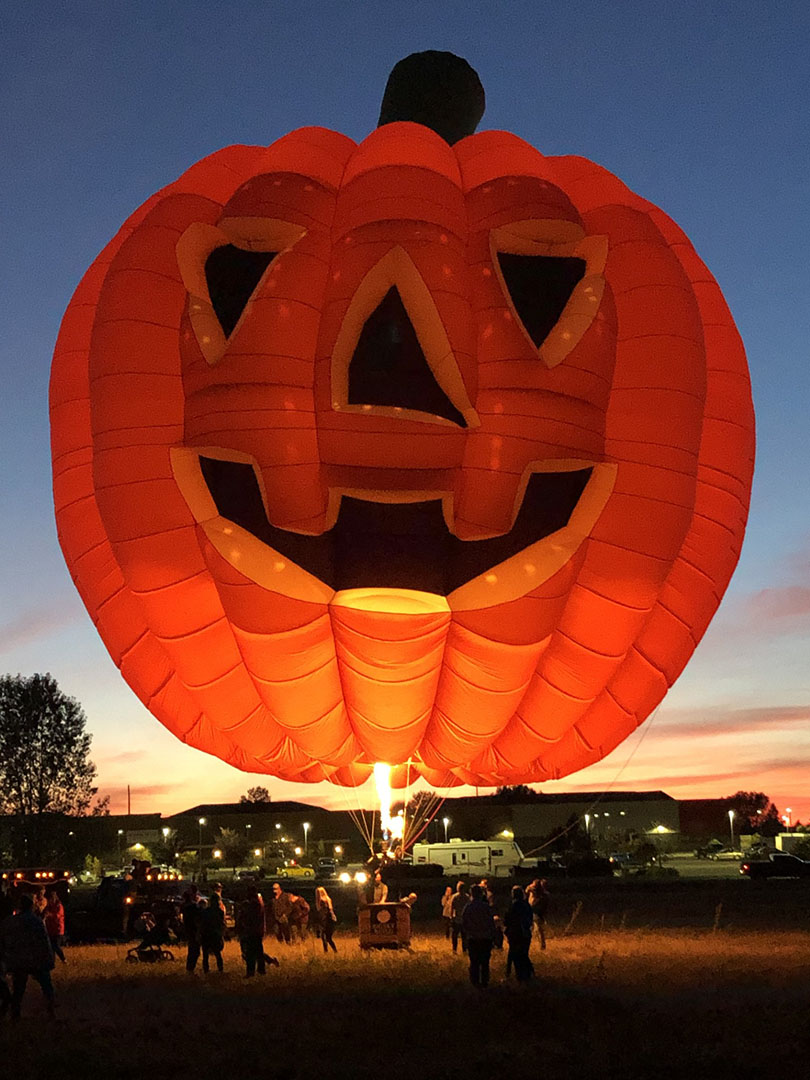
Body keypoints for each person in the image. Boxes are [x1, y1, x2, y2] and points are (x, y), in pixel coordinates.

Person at [0, 893, 55, 1019]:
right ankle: (50, 1009)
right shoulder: (36, 922)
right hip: (35, 959)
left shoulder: (10, 922)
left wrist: (6, 958)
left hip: (18, 960)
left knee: (18, 988)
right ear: (31, 906)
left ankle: (15, 1013)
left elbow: (3, 939)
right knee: (46, 985)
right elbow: (44, 941)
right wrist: (48, 960)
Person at [461, 884, 497, 988]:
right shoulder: (486, 907)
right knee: (485, 962)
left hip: (473, 938)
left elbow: (464, 922)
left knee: (474, 962)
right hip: (485, 938)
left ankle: (475, 982)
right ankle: (485, 982)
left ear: (471, 894)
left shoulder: (468, 907)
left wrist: (467, 933)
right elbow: (491, 922)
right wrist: (492, 935)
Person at [237, 885, 277, 976]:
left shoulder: (254, 904)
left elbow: (250, 917)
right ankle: (261, 970)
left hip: (252, 931)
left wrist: (245, 923)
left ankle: (251, 972)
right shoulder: (259, 902)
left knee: (250, 953)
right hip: (257, 930)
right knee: (258, 951)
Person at [503, 885, 534, 982]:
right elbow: (530, 918)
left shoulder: (513, 905)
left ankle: (519, 975)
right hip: (526, 933)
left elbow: (508, 919)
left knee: (515, 954)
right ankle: (528, 974)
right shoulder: (526, 905)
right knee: (524, 954)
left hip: (515, 933)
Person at [199, 893, 225, 974]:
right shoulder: (220, 912)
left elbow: (202, 923)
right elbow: (221, 924)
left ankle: (206, 970)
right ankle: (220, 969)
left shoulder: (206, 911)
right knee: (217, 953)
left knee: (206, 954)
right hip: (214, 934)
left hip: (207, 934)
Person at [181, 885, 202, 973]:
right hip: (194, 930)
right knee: (195, 950)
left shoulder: (184, 906)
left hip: (189, 929)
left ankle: (189, 968)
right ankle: (190, 968)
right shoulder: (193, 907)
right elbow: (198, 917)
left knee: (192, 948)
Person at [526, 878, 550, 950]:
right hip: (532, 912)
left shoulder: (540, 895)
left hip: (536, 912)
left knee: (538, 929)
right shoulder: (532, 891)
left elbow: (535, 904)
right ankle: (540, 944)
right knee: (535, 929)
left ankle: (542, 945)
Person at [43, 890, 66, 964]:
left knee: (56, 945)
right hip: (50, 929)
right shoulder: (48, 907)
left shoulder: (59, 906)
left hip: (58, 929)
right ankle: (52, 961)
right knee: (51, 947)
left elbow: (58, 915)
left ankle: (63, 958)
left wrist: (50, 915)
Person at [315, 886, 337, 954]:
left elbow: (323, 912)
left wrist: (322, 923)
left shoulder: (322, 901)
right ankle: (334, 951)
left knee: (324, 937)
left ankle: (327, 951)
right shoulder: (328, 899)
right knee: (328, 938)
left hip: (326, 921)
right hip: (331, 920)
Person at [449, 881, 470, 954]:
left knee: (455, 935)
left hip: (457, 919)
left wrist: (451, 917)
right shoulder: (467, 897)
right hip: (464, 919)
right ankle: (464, 950)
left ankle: (455, 949)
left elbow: (452, 907)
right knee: (464, 936)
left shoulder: (455, 897)